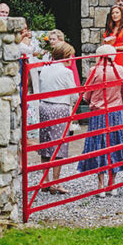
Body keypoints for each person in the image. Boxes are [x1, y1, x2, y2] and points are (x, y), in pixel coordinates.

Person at [78, 46, 123, 195]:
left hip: (98, 113)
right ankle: (113, 184)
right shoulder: (120, 70)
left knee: (99, 145)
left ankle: (100, 185)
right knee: (114, 144)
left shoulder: (94, 71)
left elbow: (86, 95)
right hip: (115, 112)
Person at [35, 42, 80, 194]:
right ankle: (56, 182)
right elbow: (74, 94)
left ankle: (45, 181)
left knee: (46, 144)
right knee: (59, 146)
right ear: (66, 56)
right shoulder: (66, 72)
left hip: (44, 106)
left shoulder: (45, 68)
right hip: (59, 107)